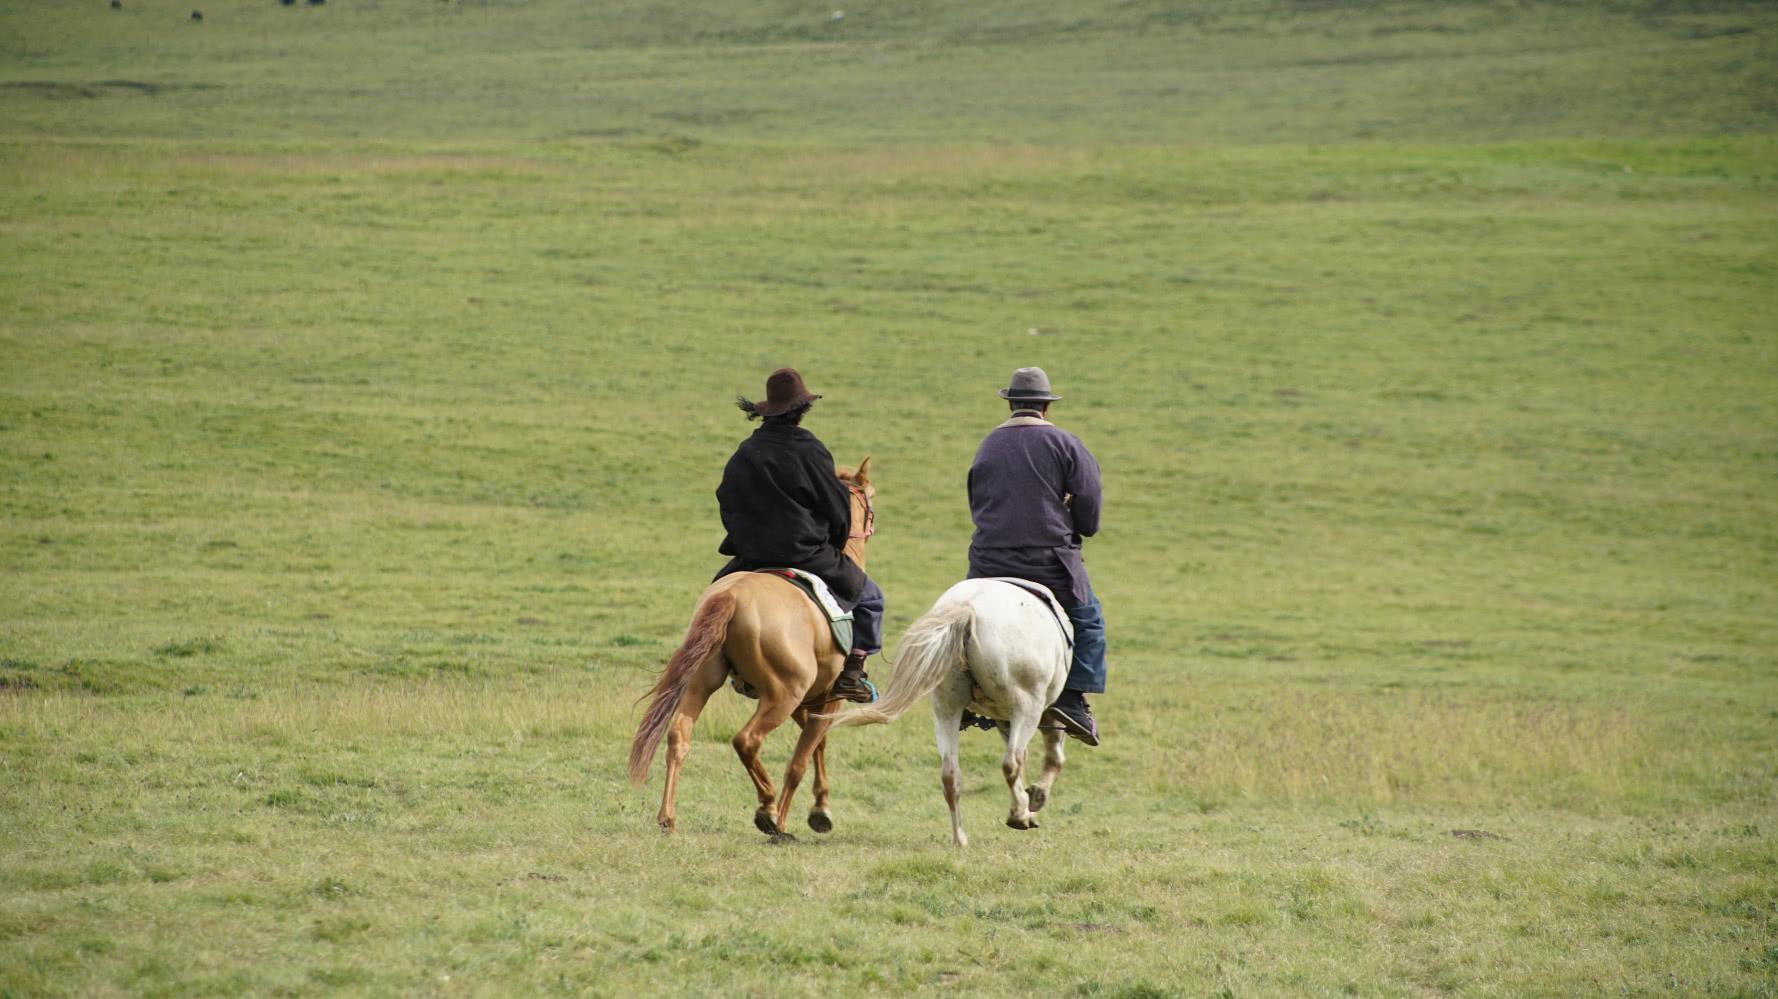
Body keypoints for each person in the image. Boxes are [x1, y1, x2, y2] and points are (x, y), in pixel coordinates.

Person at [712, 368, 883, 703]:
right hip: (806, 555)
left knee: (716, 598)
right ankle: (851, 674)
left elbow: (726, 499)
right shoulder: (810, 450)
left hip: (752, 557)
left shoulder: (745, 451)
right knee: (871, 598)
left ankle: (733, 667)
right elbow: (837, 508)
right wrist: (831, 540)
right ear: (801, 410)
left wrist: (745, 538)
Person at [965, 366, 1107, 745]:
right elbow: (1090, 510)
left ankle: (965, 692)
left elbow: (975, 499)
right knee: (1090, 621)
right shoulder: (1067, 444)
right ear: (1046, 406)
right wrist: (1075, 521)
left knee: (962, 619)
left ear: (1011, 402)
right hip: (1050, 561)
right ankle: (1073, 701)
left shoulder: (987, 444)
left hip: (989, 561)